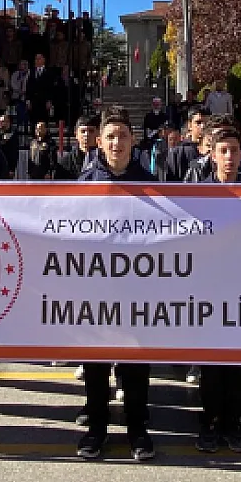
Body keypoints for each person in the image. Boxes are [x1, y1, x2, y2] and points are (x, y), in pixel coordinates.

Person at [74, 110, 157, 461]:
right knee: (95, 365)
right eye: (110, 136)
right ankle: (96, 430)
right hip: (95, 288)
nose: (116, 142)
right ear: (98, 141)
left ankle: (138, 431)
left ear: (132, 140)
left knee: (136, 364)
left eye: (122, 135)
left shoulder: (151, 183)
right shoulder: (84, 183)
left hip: (136, 290)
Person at [190, 127, 241, 452]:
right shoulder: (198, 194)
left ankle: (234, 423)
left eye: (234, 150)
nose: (229, 157)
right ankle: (209, 422)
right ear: (212, 155)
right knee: (212, 365)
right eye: (223, 151)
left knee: (236, 365)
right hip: (209, 290)